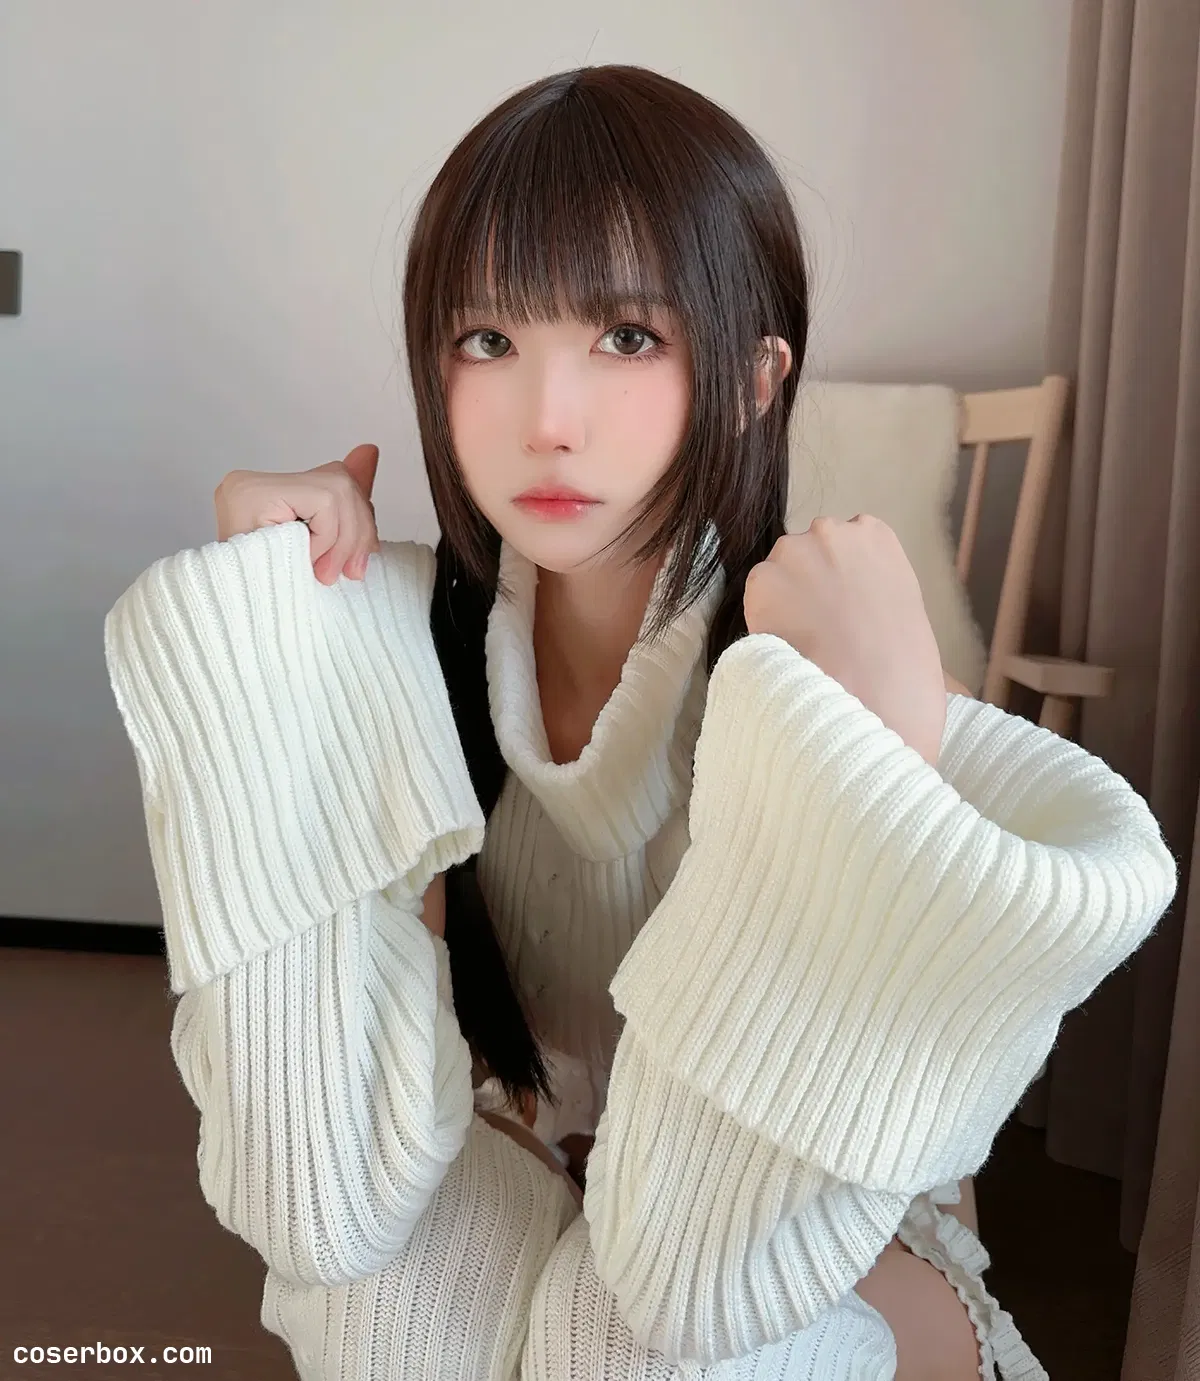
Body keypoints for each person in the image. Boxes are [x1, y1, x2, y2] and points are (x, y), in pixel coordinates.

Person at [104, 65, 1177, 1381]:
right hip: (552, 1168)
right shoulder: (424, 655)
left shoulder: (819, 678)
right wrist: (282, 640)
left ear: (754, 377)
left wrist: (881, 752)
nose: (546, 423)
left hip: (816, 1242)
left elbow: (706, 1275)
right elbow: (321, 1202)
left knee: (629, 1344)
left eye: (626, 337)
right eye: (486, 340)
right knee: (376, 1308)